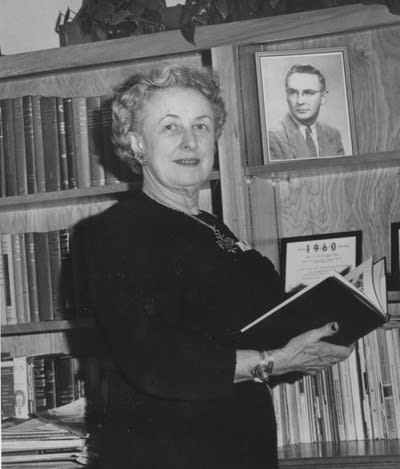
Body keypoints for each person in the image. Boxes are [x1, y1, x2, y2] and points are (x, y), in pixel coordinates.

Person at [72, 64, 353, 469]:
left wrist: (335, 314)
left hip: (241, 444)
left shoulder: (210, 226)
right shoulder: (113, 232)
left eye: (201, 126)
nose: (190, 141)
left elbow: (256, 323)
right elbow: (153, 361)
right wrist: (277, 360)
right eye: (170, 127)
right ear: (137, 143)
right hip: (167, 454)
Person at [268, 64, 345, 160]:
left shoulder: (333, 135)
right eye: (292, 92)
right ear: (287, 96)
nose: (300, 101)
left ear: (323, 97)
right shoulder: (273, 138)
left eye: (308, 93)